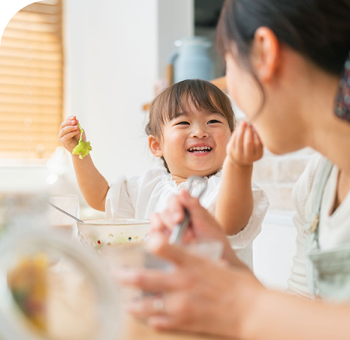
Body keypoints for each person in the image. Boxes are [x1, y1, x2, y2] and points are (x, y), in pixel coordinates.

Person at [117, 0, 350, 340]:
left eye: (228, 66)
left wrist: (243, 306)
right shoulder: (315, 184)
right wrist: (230, 276)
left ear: (264, 53)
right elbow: (306, 313)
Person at [59, 79, 268, 268]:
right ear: (157, 145)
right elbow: (102, 198)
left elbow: (228, 224)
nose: (199, 132)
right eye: (184, 123)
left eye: (213, 121)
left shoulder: (231, 188)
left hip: (216, 306)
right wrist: (80, 153)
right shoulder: (148, 186)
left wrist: (239, 165)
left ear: (231, 136)